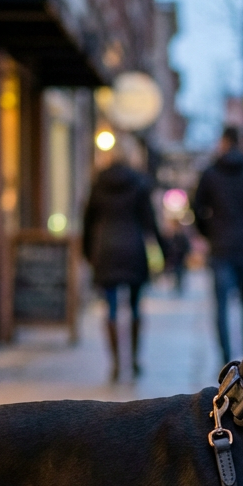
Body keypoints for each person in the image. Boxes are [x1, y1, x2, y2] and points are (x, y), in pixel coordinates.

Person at [193, 126, 243, 364]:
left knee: (221, 306)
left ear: (223, 142)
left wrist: (209, 233)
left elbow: (197, 209)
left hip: (220, 248)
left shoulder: (210, 174)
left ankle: (225, 357)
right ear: (241, 143)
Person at [83, 144, 162, 381]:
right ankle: (135, 360)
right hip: (133, 250)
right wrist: (163, 251)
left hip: (105, 250)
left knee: (111, 309)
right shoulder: (139, 183)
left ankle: (116, 363)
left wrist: (88, 254)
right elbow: (150, 223)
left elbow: (88, 222)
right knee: (136, 308)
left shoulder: (98, 184)